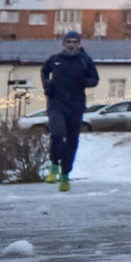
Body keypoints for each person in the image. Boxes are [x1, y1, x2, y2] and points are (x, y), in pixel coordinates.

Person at [39, 30, 98, 192]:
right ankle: (54, 165)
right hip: (56, 103)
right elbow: (44, 71)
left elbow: (95, 80)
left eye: (74, 42)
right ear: (63, 44)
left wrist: (84, 81)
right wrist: (47, 86)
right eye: (68, 42)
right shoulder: (55, 60)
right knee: (57, 133)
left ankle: (65, 174)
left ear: (79, 44)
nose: (71, 45)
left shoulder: (85, 61)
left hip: (76, 105)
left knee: (72, 140)